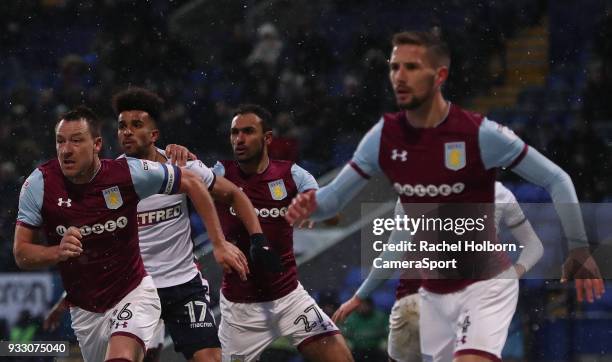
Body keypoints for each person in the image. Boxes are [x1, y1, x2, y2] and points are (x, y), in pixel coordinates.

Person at [285, 31, 604, 362]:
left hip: (488, 284)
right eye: (395, 67)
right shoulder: (383, 137)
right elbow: (333, 200)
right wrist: (311, 204)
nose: (399, 76)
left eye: (412, 67)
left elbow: (557, 178)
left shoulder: (480, 134)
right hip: (434, 294)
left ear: (440, 76)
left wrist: (579, 247)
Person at [43, 87, 268, 362]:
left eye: (136, 125)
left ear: (154, 135)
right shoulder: (111, 181)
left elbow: (234, 193)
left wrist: (255, 240)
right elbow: (96, 248)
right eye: (122, 126)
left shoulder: (180, 165)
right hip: (134, 290)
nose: (127, 132)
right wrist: (71, 294)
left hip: (183, 286)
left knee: (210, 358)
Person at [332, 182, 545, 362]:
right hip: (418, 294)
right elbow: (392, 255)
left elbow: (534, 245)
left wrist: (513, 273)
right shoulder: (412, 195)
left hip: (477, 293)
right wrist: (360, 296)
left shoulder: (497, 192)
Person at [212, 104, 354, 362]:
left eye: (248, 131)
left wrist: (311, 209)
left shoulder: (292, 174)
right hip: (239, 310)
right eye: (234, 133)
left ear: (267, 138)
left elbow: (332, 215)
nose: (239, 139)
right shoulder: (220, 173)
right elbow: (189, 187)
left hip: (289, 299)